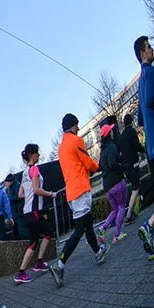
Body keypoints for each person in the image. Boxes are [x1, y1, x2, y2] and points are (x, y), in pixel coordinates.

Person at [49, 114, 109, 287]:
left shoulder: (61, 147)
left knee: (88, 224)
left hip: (71, 192)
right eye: (77, 125)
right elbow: (87, 161)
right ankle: (60, 265)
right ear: (73, 126)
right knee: (80, 229)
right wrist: (98, 167)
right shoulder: (76, 141)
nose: (79, 128)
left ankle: (98, 252)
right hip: (80, 189)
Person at [134, 36, 154, 260]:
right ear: (144, 54)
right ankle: (148, 224)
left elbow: (141, 118)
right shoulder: (151, 73)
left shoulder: (140, 81)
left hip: (152, 148)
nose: (153, 51)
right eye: (150, 48)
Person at [14, 144, 56, 284]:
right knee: (47, 233)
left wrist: (29, 194)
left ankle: (29, 268)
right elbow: (37, 190)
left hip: (27, 212)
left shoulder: (24, 172)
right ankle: (28, 268)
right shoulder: (34, 169)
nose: (39, 155)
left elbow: (20, 194)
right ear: (32, 155)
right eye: (37, 153)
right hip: (35, 210)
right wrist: (51, 194)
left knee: (34, 240)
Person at [97, 124, 128, 245]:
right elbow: (112, 164)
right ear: (109, 134)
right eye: (110, 131)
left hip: (107, 186)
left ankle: (103, 228)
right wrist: (124, 167)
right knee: (121, 207)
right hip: (117, 182)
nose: (112, 132)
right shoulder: (111, 146)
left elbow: (100, 166)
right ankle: (117, 235)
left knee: (115, 209)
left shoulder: (102, 150)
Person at [118, 114, 145, 225]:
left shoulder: (122, 135)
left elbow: (119, 150)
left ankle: (133, 211)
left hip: (126, 166)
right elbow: (137, 146)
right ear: (131, 121)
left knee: (134, 188)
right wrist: (144, 150)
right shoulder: (132, 132)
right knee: (135, 188)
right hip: (133, 164)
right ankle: (129, 214)